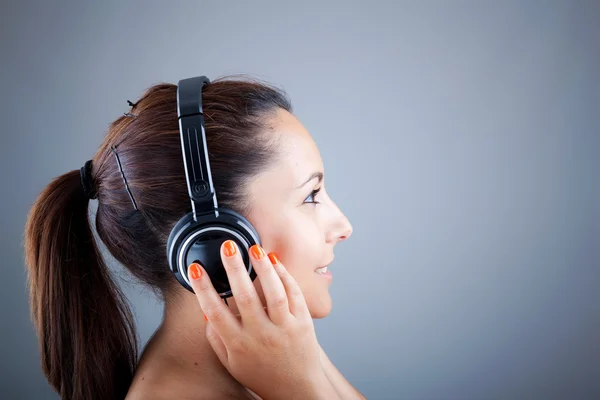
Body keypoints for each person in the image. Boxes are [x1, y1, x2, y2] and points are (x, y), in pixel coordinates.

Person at [23, 75, 363, 399]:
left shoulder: (283, 363)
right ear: (214, 240)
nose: (344, 226)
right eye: (310, 196)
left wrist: (306, 371)